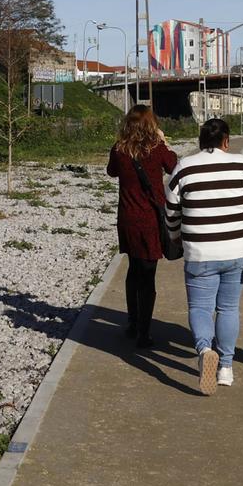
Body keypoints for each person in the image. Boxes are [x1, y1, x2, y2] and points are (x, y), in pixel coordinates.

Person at [165, 117, 243, 393]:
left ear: (200, 142)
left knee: (200, 308)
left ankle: (205, 351)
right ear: (226, 141)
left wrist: (175, 237)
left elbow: (170, 211)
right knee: (228, 309)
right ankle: (226, 367)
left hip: (199, 252)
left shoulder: (184, 167)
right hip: (236, 251)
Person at [105, 105, 178, 349]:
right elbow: (173, 166)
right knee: (148, 276)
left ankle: (133, 323)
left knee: (133, 270)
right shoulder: (156, 149)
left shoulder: (119, 149)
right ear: (151, 125)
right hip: (150, 221)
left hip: (127, 218)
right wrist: (163, 141)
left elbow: (111, 171)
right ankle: (144, 333)